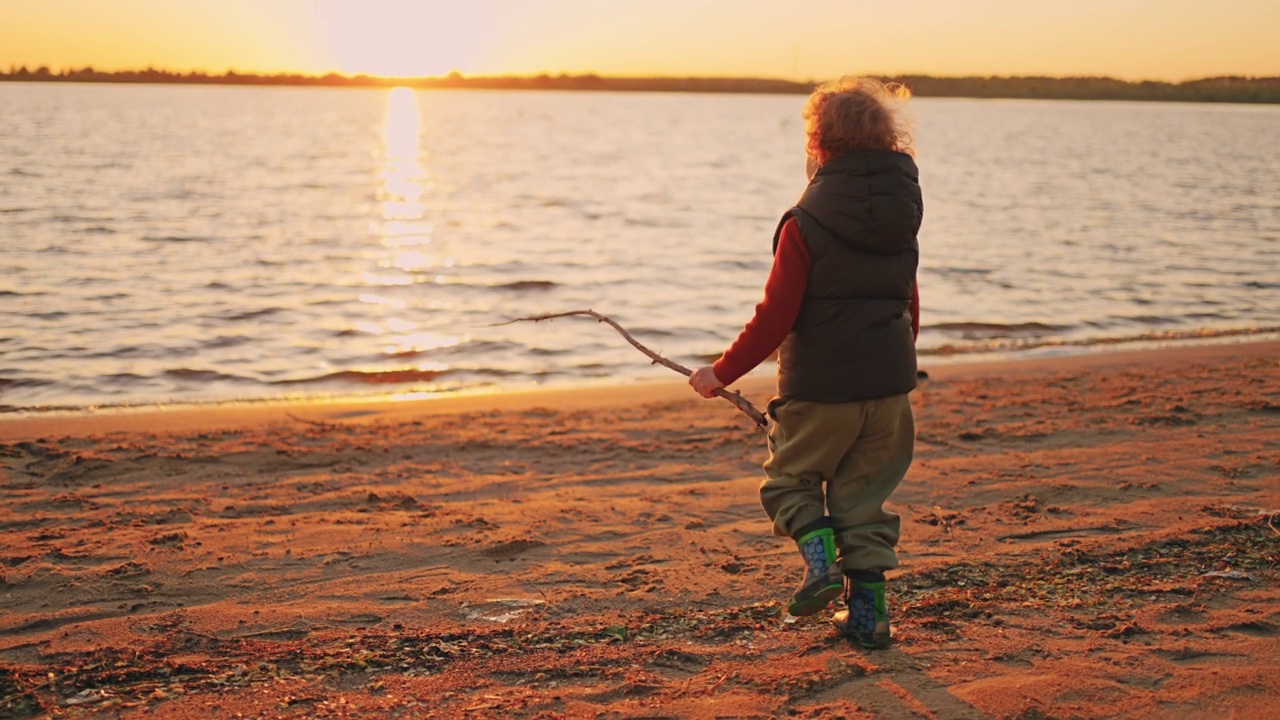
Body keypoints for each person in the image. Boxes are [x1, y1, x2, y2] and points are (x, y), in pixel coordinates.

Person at [689, 76, 922, 648]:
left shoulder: (805, 220)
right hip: (889, 386)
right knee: (864, 504)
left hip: (821, 389)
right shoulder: (904, 213)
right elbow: (909, 300)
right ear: (888, 140)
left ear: (819, 143)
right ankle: (869, 620)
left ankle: (820, 565)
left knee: (789, 481)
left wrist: (720, 373)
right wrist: (898, 361)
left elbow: (776, 316)